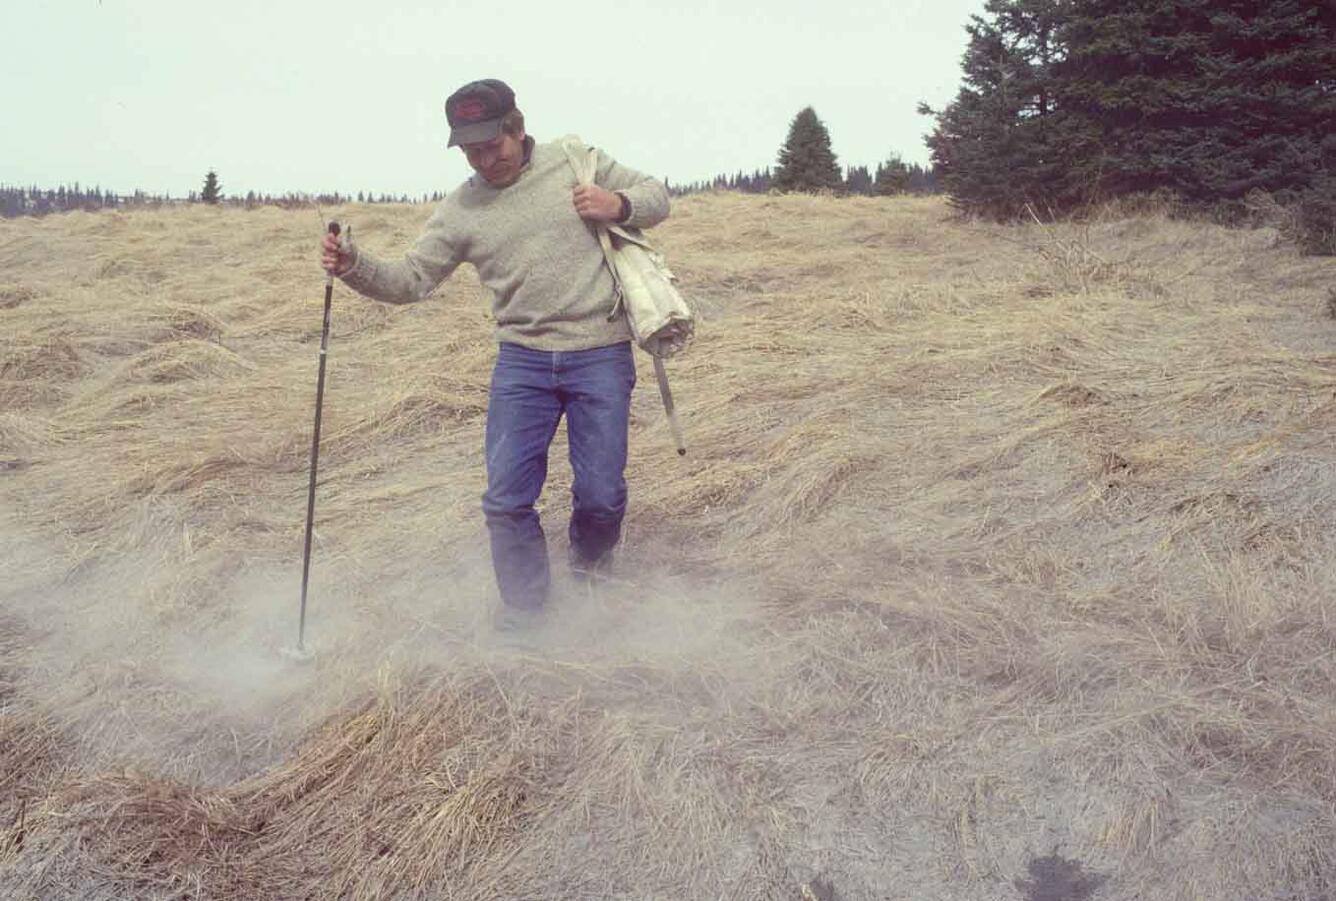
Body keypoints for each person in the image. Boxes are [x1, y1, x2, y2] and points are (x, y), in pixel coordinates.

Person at [319, 78, 670, 626]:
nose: (484, 160)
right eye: (471, 150)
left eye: (493, 145)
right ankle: (528, 618)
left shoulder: (576, 163)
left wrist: (616, 203)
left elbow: (657, 196)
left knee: (601, 495)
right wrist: (353, 265)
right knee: (506, 502)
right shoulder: (461, 210)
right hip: (522, 362)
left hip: (598, 353)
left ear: (518, 128)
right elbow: (411, 279)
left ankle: (591, 570)